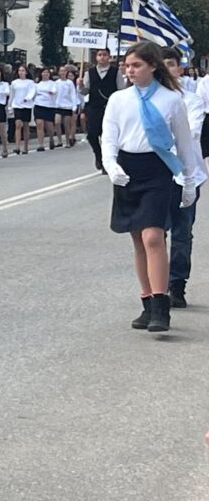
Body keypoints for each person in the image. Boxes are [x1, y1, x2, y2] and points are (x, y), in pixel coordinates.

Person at [102, 42, 202, 333]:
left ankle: (161, 305)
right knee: (138, 240)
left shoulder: (171, 100)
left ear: (153, 66)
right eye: (127, 66)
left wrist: (189, 181)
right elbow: (109, 137)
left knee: (153, 237)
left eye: (136, 65)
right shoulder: (119, 99)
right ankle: (146, 302)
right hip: (128, 169)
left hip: (157, 170)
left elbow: (184, 144)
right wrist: (111, 166)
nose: (130, 71)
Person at [161, 47, 206, 309]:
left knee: (181, 232)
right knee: (155, 232)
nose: (166, 69)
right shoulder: (148, 101)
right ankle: (157, 286)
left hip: (186, 174)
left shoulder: (192, 101)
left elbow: (190, 135)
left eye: (170, 64)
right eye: (161, 64)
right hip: (156, 175)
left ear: (179, 69)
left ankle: (177, 285)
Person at [78, 48, 126, 172]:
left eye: (105, 54)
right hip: (94, 107)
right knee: (92, 135)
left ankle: (106, 162)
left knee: (107, 136)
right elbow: (84, 91)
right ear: (96, 57)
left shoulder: (115, 72)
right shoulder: (90, 73)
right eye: (100, 55)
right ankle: (98, 155)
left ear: (109, 56)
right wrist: (80, 85)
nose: (102, 57)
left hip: (110, 108)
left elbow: (121, 90)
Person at [10, 65, 37, 155]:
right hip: (17, 105)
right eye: (20, 71)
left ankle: (25, 146)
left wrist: (27, 98)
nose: (21, 72)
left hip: (26, 106)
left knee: (26, 126)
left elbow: (32, 91)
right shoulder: (14, 83)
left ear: (26, 72)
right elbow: (12, 95)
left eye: (23, 71)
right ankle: (17, 146)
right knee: (18, 124)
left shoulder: (30, 82)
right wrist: (10, 106)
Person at [33, 68, 58, 151]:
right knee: (39, 124)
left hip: (49, 106)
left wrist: (51, 92)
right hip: (39, 105)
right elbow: (33, 93)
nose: (45, 74)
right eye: (43, 72)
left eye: (47, 72)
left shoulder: (53, 84)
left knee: (49, 126)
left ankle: (51, 138)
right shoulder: (37, 85)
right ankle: (41, 144)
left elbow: (54, 90)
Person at [53, 65, 77, 148]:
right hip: (58, 106)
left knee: (66, 125)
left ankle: (67, 141)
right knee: (57, 122)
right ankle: (59, 140)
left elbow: (73, 94)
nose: (62, 73)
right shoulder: (56, 83)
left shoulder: (69, 83)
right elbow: (54, 91)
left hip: (67, 106)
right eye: (61, 71)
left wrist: (74, 106)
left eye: (64, 71)